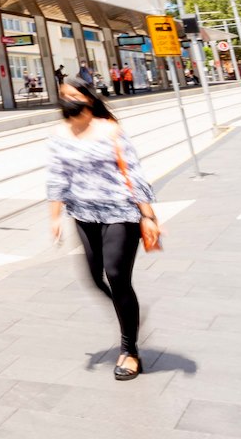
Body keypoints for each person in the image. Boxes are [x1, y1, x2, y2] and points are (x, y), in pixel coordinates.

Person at [46, 80, 159, 382]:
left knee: (117, 276)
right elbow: (57, 175)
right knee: (94, 277)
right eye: (64, 96)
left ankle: (130, 350)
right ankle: (129, 311)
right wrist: (54, 216)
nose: (68, 101)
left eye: (74, 95)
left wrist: (147, 215)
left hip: (120, 212)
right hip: (83, 213)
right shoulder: (59, 134)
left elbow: (133, 173)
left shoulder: (110, 129)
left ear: (88, 98)